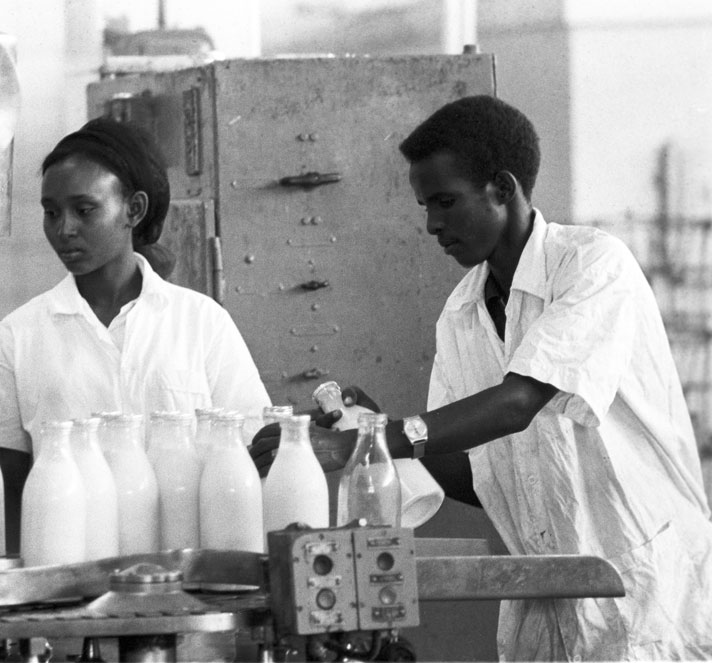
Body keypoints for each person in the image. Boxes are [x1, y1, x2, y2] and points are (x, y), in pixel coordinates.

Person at [250, 95, 712, 661]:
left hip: (644, 595)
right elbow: (478, 477)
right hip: (546, 606)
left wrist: (370, 440)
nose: (431, 225)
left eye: (445, 202)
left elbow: (519, 401)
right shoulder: (463, 312)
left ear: (502, 187)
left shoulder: (592, 266)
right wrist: (375, 433)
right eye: (425, 206)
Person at [0, 117, 272, 554]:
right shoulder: (20, 334)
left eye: (84, 210)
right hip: (71, 583)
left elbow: (255, 449)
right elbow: (6, 481)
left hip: (188, 576)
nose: (64, 229)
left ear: (134, 210)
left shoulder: (201, 322)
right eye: (51, 212)